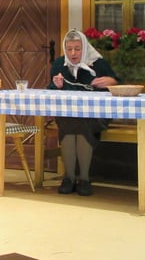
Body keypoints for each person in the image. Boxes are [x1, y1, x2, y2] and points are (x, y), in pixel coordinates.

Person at [48, 29, 119, 196]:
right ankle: (69, 178)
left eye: (77, 49)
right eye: (69, 49)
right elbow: (50, 91)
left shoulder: (98, 64)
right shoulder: (59, 64)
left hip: (95, 115)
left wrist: (111, 82)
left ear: (85, 48)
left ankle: (84, 179)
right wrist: (56, 85)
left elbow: (118, 84)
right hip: (68, 115)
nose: (73, 53)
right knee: (68, 122)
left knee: (82, 123)